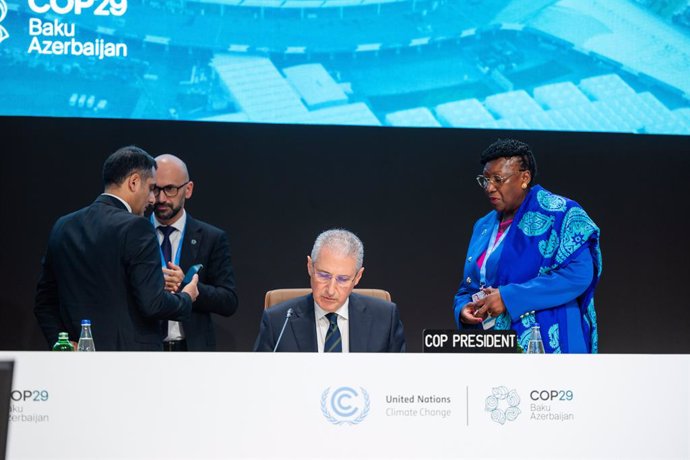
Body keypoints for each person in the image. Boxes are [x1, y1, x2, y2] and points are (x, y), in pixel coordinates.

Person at [34, 146, 199, 351]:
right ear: (134, 182)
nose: (152, 199)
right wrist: (186, 297)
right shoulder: (136, 227)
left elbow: (44, 302)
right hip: (128, 363)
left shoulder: (63, 225)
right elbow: (153, 304)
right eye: (151, 188)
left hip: (77, 364)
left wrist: (63, 344)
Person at [453, 139, 601, 353]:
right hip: (494, 346)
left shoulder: (561, 213)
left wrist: (508, 297)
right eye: (484, 180)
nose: (489, 187)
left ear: (524, 178)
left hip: (550, 342)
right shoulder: (483, 226)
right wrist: (462, 309)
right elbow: (469, 286)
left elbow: (578, 276)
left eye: (498, 179)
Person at [254, 229, 406, 352]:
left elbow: (397, 380)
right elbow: (260, 380)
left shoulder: (385, 319)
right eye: (323, 275)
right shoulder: (278, 322)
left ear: (358, 277)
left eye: (343, 279)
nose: (331, 290)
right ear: (310, 267)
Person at [152, 154, 239, 351]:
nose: (161, 198)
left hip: (192, 351)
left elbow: (228, 301)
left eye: (170, 189)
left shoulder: (211, 238)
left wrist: (186, 286)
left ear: (188, 189)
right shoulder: (135, 234)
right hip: (145, 350)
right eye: (155, 189)